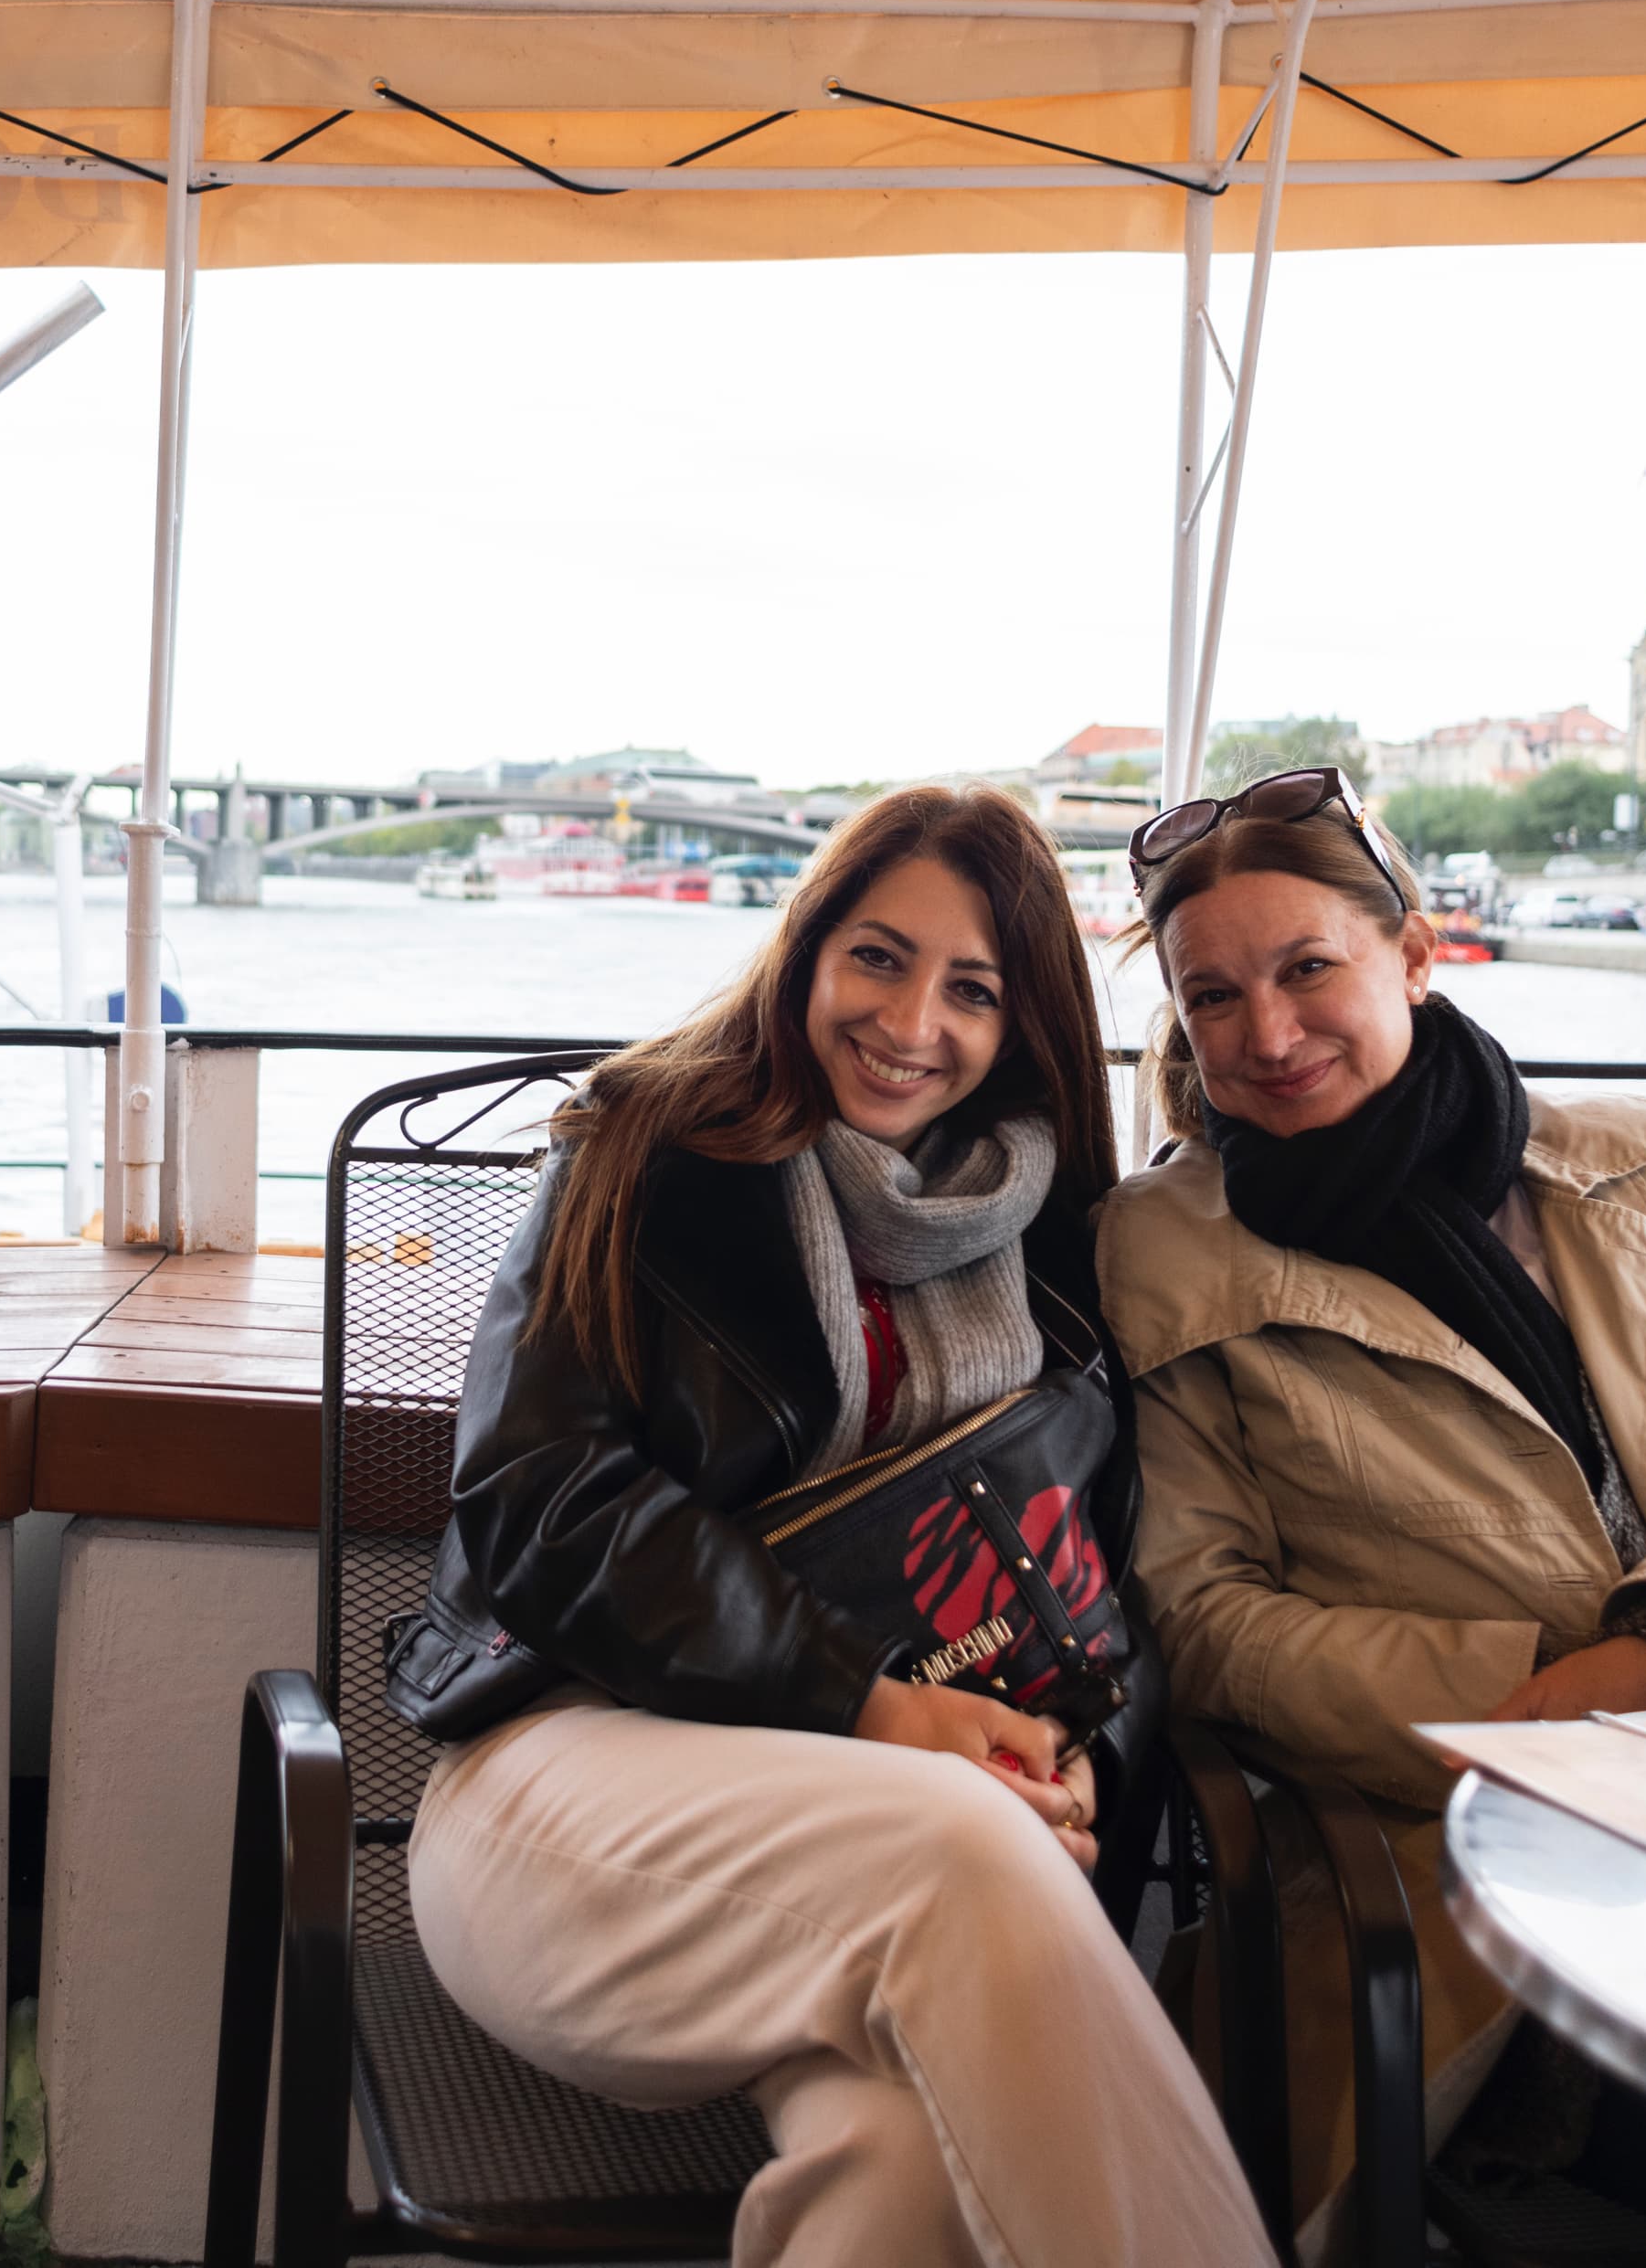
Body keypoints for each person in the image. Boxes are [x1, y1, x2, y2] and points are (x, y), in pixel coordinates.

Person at [392, 784, 1273, 2268]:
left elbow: (1096, 1581)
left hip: (916, 1853)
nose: (911, 1021)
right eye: (878, 956)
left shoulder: (1060, 1250)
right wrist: (873, 1708)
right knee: (963, 1849)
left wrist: (1071, 1765)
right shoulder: (643, 1150)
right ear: (806, 952)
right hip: (564, 1782)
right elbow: (539, 1501)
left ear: (1023, 1024)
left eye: (973, 989)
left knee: (912, 2161)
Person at [1098, 770, 1646, 2239]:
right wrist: (1535, 1704)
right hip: (1467, 1870)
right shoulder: (1163, 1254)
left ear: (1414, 955)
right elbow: (1202, 1621)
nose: (1266, 1036)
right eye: (1213, 997)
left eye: (1308, 969)